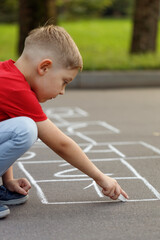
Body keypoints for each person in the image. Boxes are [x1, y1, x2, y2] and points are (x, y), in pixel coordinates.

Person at [0, 25, 128, 218]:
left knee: (21, 125)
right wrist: (100, 177)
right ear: (44, 67)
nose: (62, 91)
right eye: (64, 81)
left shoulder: (7, 74)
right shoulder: (16, 89)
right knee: (26, 129)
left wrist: (8, 180)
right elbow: (61, 144)